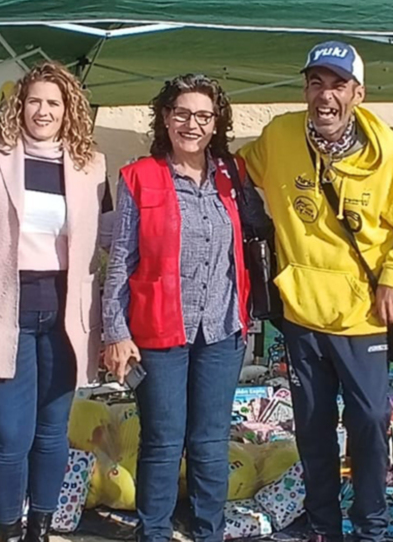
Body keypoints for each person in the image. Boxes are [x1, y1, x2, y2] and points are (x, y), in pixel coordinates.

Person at [238, 41, 393, 542]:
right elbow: (235, 171)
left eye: (338, 85)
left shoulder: (387, 149)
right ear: (305, 89)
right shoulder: (279, 134)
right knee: (312, 426)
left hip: (363, 313)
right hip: (302, 311)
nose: (326, 96)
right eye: (316, 83)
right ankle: (323, 526)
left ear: (358, 93)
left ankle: (369, 527)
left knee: (369, 420)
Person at [102, 74, 270, 542]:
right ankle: (153, 531)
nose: (191, 124)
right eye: (181, 113)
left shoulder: (232, 177)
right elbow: (121, 261)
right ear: (165, 117)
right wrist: (116, 331)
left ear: (217, 123)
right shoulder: (140, 177)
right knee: (161, 440)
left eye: (203, 116)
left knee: (211, 443)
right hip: (158, 332)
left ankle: (207, 531)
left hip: (221, 331)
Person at [0, 62, 111, 542]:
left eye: (54, 102)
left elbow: (107, 233)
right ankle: (9, 531)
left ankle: (41, 531)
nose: (43, 111)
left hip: (65, 312)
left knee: (52, 434)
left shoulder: (91, 164)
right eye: (35, 101)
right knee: (11, 436)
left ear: (68, 109)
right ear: (19, 105)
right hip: (4, 308)